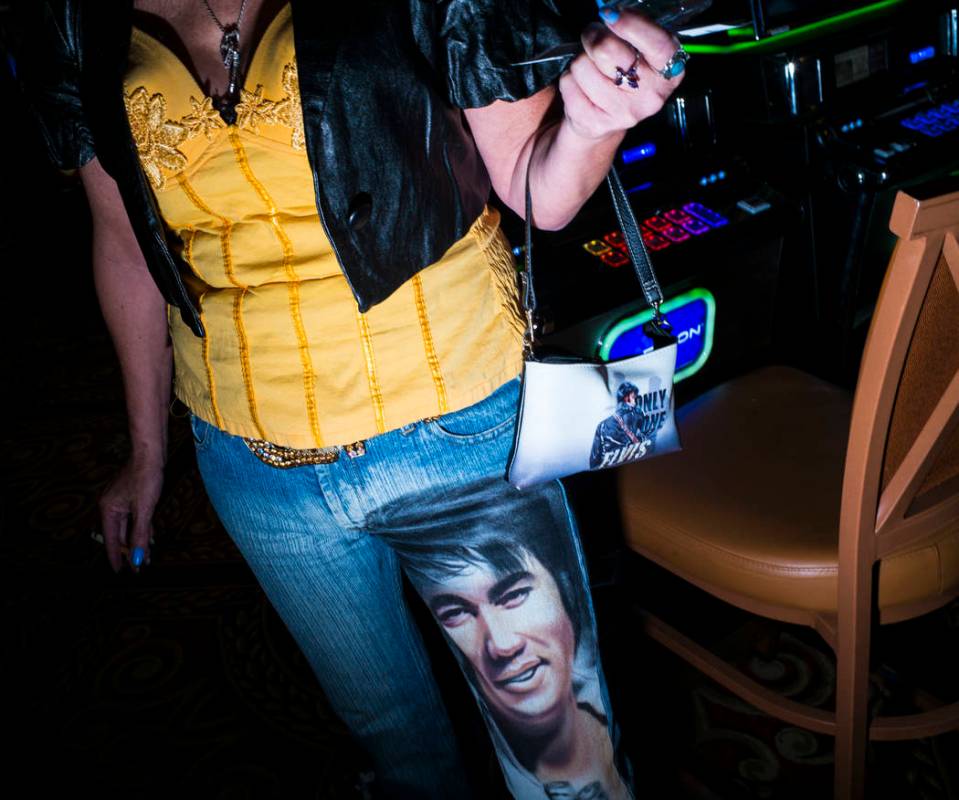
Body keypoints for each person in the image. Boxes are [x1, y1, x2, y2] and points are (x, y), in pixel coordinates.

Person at [22, 0, 686, 796]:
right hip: (255, 469)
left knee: (565, 764)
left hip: (460, 429)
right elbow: (126, 247)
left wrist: (591, 121)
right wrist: (147, 451)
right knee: (398, 746)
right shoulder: (68, 18)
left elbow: (535, 188)